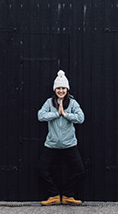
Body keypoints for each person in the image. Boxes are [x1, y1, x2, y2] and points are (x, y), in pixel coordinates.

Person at [36, 69, 86, 205]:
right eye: (58, 88)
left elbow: (81, 118)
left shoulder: (73, 103)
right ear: (55, 89)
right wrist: (56, 114)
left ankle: (68, 195)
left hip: (69, 144)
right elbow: (40, 116)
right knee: (41, 168)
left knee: (79, 170)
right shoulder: (49, 103)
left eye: (63, 88)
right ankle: (54, 195)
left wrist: (65, 114)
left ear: (67, 89)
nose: (61, 91)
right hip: (52, 144)